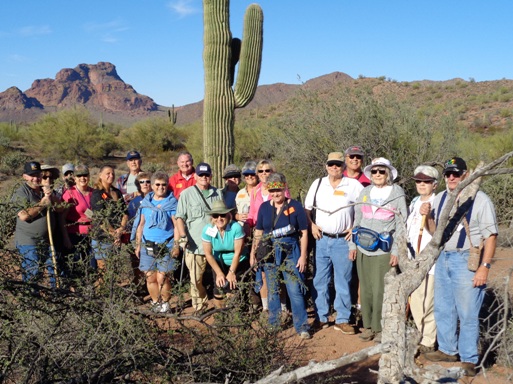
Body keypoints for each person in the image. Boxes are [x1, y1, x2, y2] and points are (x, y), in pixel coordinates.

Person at [423, 157, 498, 377]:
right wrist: (427, 216)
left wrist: (484, 266)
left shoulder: (480, 200)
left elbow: (491, 236)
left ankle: (468, 359)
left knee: (468, 312)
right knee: (444, 308)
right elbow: (434, 231)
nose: (452, 178)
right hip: (443, 256)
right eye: (448, 174)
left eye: (457, 173)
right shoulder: (440, 198)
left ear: (466, 175)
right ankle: (447, 350)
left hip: (467, 260)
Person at [349, 157, 407, 343]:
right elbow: (356, 220)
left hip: (384, 251)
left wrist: (397, 251)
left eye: (382, 171)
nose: (378, 174)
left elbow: (401, 224)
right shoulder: (365, 192)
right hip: (363, 249)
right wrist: (352, 245)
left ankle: (380, 327)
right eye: (374, 171)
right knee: (365, 289)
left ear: (388, 173)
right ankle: (367, 326)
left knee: (381, 289)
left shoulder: (397, 193)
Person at [305, 152, 363, 334]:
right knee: (320, 280)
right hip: (321, 239)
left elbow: (364, 208)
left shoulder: (353, 185)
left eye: (338, 164)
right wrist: (312, 225)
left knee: (343, 280)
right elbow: (307, 208)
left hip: (342, 241)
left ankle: (343, 318)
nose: (334, 167)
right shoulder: (318, 184)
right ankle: (321, 317)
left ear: (343, 167)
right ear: (326, 166)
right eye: (331, 164)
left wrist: (355, 227)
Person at [250, 173, 311, 339]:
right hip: (269, 252)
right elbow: (259, 231)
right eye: (273, 190)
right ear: (269, 190)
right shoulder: (264, 207)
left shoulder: (296, 206)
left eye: (279, 189)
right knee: (273, 290)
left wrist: (303, 256)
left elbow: (304, 233)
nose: (276, 193)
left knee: (294, 290)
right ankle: (274, 325)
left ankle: (302, 326)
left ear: (284, 187)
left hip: (290, 251)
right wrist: (254, 253)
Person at [175, 162, 223, 313]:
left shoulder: (218, 193)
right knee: (195, 279)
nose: (204, 177)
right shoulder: (186, 194)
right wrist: (183, 236)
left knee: (219, 278)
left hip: (216, 244)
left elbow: (224, 215)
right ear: (195, 176)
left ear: (211, 176)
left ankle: (222, 306)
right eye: (201, 175)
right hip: (195, 244)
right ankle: (200, 305)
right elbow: (179, 218)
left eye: (206, 175)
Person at [133, 172, 179, 313]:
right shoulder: (146, 203)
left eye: (163, 184)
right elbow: (141, 224)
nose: (160, 187)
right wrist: (138, 244)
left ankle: (165, 303)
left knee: (163, 277)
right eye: (157, 184)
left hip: (166, 243)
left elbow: (177, 225)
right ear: (152, 186)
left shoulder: (172, 203)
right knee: (150, 277)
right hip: (148, 244)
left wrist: (176, 245)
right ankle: (155, 302)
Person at [406, 165, 439, 354]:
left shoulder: (439, 201)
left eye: (426, 182)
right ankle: (422, 334)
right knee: (417, 300)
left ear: (434, 184)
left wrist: (429, 216)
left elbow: (436, 233)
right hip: (413, 259)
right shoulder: (414, 201)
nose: (421, 184)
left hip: (429, 260)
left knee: (428, 300)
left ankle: (428, 340)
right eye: (419, 181)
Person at [11, 161, 60, 288]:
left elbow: (61, 208)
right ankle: (31, 299)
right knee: (33, 271)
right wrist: (43, 203)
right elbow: (23, 215)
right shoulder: (21, 192)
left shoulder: (46, 190)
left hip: (47, 240)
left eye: (38, 174)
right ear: (25, 176)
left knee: (54, 270)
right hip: (29, 240)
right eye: (32, 175)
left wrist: (51, 196)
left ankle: (57, 298)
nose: (36, 178)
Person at [202, 200, 249, 308]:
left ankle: (236, 316)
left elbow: (238, 252)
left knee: (233, 288)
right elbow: (208, 254)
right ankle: (221, 315)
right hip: (218, 261)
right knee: (218, 289)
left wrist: (232, 272)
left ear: (228, 215)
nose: (219, 219)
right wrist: (219, 273)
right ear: (212, 218)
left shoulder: (236, 227)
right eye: (215, 216)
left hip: (237, 260)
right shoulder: (207, 229)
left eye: (222, 215)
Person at [91, 165, 128, 277]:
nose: (111, 176)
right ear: (100, 175)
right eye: (107, 173)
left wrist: (121, 229)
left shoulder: (117, 192)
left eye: (112, 173)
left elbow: (124, 213)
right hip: (102, 237)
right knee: (103, 270)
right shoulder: (97, 194)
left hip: (117, 236)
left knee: (114, 269)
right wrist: (113, 234)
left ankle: (113, 293)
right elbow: (101, 218)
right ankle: (102, 294)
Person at [61, 164, 94, 274]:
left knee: (91, 265)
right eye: (79, 176)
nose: (82, 178)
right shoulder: (69, 194)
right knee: (74, 265)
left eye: (85, 175)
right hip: (74, 234)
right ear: (74, 178)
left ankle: (91, 289)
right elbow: (62, 218)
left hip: (92, 233)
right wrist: (66, 238)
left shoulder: (94, 192)